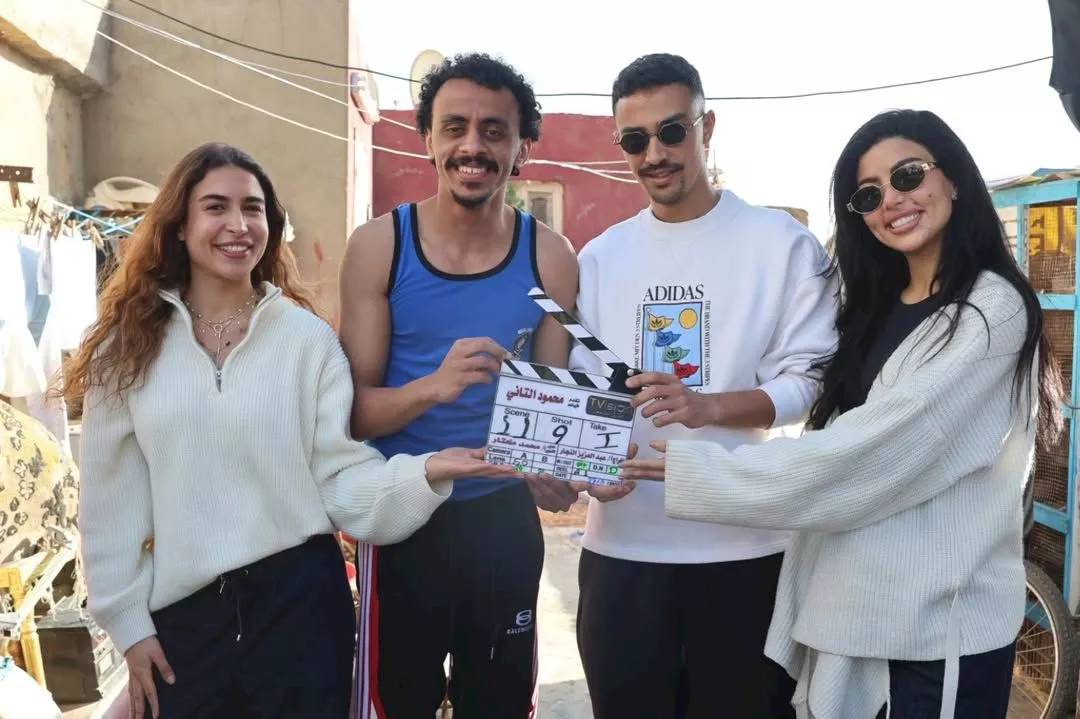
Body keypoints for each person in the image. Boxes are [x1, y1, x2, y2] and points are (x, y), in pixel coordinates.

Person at [621, 108, 1064, 719]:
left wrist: (705, 471)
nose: (893, 201)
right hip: (854, 614)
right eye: (869, 194)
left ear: (955, 179)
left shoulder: (992, 309)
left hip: (935, 631)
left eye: (908, 175)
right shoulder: (873, 308)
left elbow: (878, 449)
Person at [65, 143, 523, 719]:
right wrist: (129, 626)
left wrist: (427, 472)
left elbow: (340, 479)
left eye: (253, 209)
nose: (238, 225)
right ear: (179, 224)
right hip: (184, 617)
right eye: (216, 207)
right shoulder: (127, 350)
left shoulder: (307, 341)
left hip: (301, 610)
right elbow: (109, 504)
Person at [570, 53, 838, 718]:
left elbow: (809, 381)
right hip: (622, 553)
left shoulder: (782, 245)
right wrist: (581, 467)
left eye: (672, 131)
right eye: (635, 140)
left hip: (748, 549)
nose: (655, 154)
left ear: (707, 126)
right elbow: (584, 397)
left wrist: (707, 405)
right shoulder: (598, 258)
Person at [339, 53, 581, 719]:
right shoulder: (380, 246)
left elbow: (555, 416)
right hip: (403, 512)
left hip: (502, 518)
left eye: (494, 131)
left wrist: (557, 473)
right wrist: (433, 387)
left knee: (500, 705)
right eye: (454, 127)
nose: (472, 146)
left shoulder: (551, 257)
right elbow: (353, 415)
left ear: (522, 148)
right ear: (427, 139)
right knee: (397, 704)